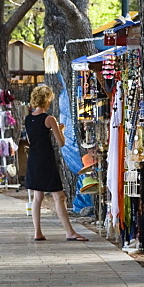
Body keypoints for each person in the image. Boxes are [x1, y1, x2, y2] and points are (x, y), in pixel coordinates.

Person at [24, 84, 87, 242]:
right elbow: (61, 143)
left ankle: (37, 232)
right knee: (59, 196)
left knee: (37, 196)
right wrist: (61, 130)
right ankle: (69, 232)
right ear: (47, 101)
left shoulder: (28, 119)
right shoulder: (49, 118)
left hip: (33, 158)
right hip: (46, 159)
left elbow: (32, 139)